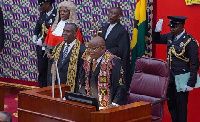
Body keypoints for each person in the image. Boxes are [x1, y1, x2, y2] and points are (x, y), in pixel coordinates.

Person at [152, 16, 199, 122]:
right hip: (170, 77)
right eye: (171, 26)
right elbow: (156, 40)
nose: (172, 29)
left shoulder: (189, 41)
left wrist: (191, 82)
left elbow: (195, 64)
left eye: (175, 26)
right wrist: (156, 31)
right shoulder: (170, 36)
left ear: (182, 26)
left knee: (181, 107)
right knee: (172, 106)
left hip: (182, 78)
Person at [79, 36, 127, 108]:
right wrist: (84, 98)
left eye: (93, 48)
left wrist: (114, 104)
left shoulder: (113, 62)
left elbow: (120, 86)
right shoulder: (87, 60)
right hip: (90, 104)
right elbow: (82, 82)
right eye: (88, 48)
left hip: (108, 106)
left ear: (103, 49)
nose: (90, 51)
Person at [98, 7, 131, 90]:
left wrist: (104, 51)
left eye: (113, 14)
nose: (110, 15)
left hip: (113, 65)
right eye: (110, 13)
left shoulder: (122, 31)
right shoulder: (103, 29)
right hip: (101, 63)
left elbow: (121, 50)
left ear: (119, 17)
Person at [49, 23, 86, 92]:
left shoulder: (82, 50)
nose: (64, 33)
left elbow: (82, 74)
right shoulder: (58, 47)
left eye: (68, 31)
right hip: (57, 87)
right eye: (64, 31)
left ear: (75, 34)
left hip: (72, 89)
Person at [32, 0, 57, 87]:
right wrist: (35, 34)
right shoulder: (43, 13)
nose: (40, 7)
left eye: (41, 5)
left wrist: (43, 41)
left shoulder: (57, 15)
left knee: (49, 72)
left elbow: (54, 32)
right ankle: (41, 89)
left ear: (47, 4)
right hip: (41, 49)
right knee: (41, 70)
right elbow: (39, 24)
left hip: (50, 48)